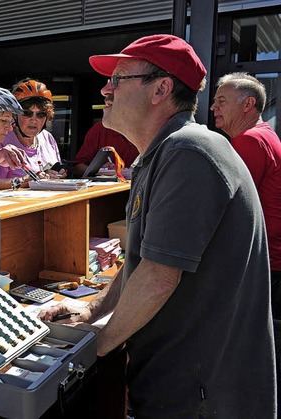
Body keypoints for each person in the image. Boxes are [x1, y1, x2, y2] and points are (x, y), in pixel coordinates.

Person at [39, 34, 276, 417]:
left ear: (162, 89)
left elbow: (158, 278)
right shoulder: (169, 151)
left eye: (118, 80)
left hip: (201, 393)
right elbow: (144, 260)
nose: (105, 89)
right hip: (183, 383)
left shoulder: (189, 152)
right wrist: (92, 310)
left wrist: (92, 349)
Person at [211, 71, 281, 405]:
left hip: (267, 259)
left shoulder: (250, 140)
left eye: (221, 100)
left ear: (248, 104)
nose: (212, 108)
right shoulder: (265, 135)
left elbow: (226, 205)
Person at [0, 78, 65, 178]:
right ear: (14, 115)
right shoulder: (2, 139)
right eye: (27, 113)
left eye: (41, 114)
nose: (34, 120)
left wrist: (58, 175)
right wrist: (29, 180)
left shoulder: (48, 138)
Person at [72, 121, 138, 177]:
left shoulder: (146, 129)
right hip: (109, 188)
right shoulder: (100, 129)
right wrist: (99, 170)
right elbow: (77, 168)